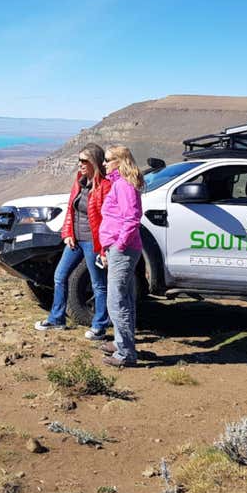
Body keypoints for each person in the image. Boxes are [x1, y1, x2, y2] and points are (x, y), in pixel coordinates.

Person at [34, 143, 111, 339]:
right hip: (75, 241)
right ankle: (57, 318)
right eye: (79, 160)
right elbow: (71, 210)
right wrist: (68, 233)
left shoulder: (105, 186)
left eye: (84, 161)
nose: (80, 164)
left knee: (98, 284)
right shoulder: (79, 182)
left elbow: (107, 219)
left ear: (94, 161)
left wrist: (103, 248)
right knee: (60, 276)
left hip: (93, 242)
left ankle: (99, 326)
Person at [97, 145, 144, 367]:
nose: (104, 164)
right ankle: (122, 343)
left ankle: (125, 353)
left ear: (119, 161)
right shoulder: (120, 183)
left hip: (122, 249)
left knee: (117, 300)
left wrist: (119, 245)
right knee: (123, 298)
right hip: (119, 247)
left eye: (108, 160)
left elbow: (132, 218)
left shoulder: (124, 185)